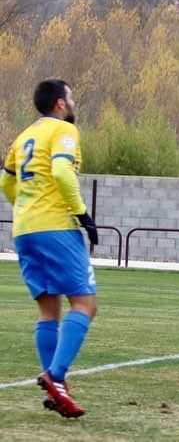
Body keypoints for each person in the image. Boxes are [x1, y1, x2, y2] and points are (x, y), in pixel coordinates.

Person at [1, 79, 99, 418]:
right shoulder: (63, 131)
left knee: (48, 311)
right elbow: (60, 170)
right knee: (85, 302)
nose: (72, 103)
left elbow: (6, 181)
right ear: (59, 104)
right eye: (70, 97)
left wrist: (26, 207)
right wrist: (81, 215)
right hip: (56, 226)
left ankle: (57, 391)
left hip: (24, 229)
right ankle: (54, 376)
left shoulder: (25, 136)